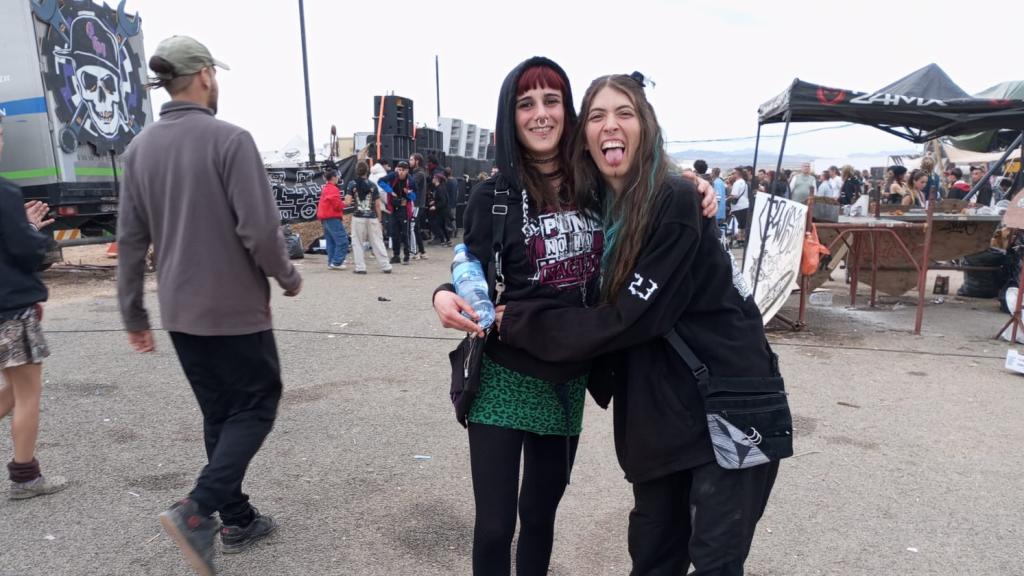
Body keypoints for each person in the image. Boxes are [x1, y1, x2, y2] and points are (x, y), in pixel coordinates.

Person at [431, 58, 718, 576]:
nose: (540, 114)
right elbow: (471, 266)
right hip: (502, 376)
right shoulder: (491, 196)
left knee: (540, 518)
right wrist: (442, 294)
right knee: (495, 525)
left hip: (567, 381)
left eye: (551, 100)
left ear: (568, 111)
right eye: (526, 104)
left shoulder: (595, 188)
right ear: (509, 115)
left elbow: (644, 187)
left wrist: (693, 183)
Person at [495, 73, 782, 576]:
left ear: (645, 126)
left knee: (715, 562)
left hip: (729, 403)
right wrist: (460, 286)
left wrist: (522, 322)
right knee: (651, 559)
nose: (611, 125)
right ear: (584, 134)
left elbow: (631, 317)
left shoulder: (673, 200)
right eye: (599, 116)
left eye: (624, 113)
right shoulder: (597, 211)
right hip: (659, 418)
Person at [118, 36, 302, 576]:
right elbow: (261, 230)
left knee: (220, 412)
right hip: (234, 308)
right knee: (257, 405)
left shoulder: (139, 151)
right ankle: (198, 510)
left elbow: (130, 240)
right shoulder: (231, 140)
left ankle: (238, 515)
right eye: (214, 75)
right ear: (202, 75)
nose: (216, 82)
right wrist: (287, 276)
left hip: (180, 311)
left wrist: (133, 313)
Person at [0, 112, 68, 501]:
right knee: (27, 393)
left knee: (12, 389)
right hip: (11, 310)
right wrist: (29, 230)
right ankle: (25, 478)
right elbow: (28, 252)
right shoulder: (5, 193)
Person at [346, 161, 392, 274]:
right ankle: (386, 265)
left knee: (357, 242)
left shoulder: (352, 184)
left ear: (356, 171)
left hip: (358, 216)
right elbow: (377, 204)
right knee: (377, 241)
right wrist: (379, 220)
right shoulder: (372, 185)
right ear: (367, 171)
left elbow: (347, 201)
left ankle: (360, 267)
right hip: (372, 217)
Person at [381, 160, 415, 264]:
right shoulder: (392, 176)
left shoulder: (410, 180)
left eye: (403, 170)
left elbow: (415, 196)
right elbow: (380, 181)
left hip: (404, 209)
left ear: (407, 171)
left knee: (405, 233)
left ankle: (406, 255)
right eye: (399, 170)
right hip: (393, 208)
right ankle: (396, 255)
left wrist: (408, 193)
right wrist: (389, 190)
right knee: (394, 232)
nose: (400, 172)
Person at [316, 169, 349, 270]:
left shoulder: (326, 188)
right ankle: (337, 262)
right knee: (342, 240)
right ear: (334, 177)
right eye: (337, 176)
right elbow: (337, 205)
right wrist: (345, 203)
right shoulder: (333, 189)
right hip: (332, 217)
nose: (338, 177)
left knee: (331, 241)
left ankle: (332, 262)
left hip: (325, 218)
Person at [408, 153, 429, 259]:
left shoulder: (419, 174)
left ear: (417, 161)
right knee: (415, 227)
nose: (409, 161)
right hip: (418, 203)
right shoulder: (419, 173)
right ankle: (422, 251)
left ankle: (413, 252)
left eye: (411, 159)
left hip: (416, 204)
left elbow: (410, 185)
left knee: (411, 227)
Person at [427, 172, 451, 246]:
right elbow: (442, 199)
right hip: (443, 210)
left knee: (437, 225)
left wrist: (435, 206)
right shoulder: (440, 187)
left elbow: (443, 201)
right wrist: (434, 201)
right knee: (442, 226)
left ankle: (443, 241)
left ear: (437, 179)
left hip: (441, 211)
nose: (433, 179)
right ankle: (447, 240)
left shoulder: (439, 188)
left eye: (434, 178)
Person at [729, 167, 750, 243]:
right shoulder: (744, 182)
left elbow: (734, 195)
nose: (732, 174)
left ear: (737, 174)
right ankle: (742, 239)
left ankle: (739, 239)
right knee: (743, 224)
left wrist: (727, 199)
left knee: (738, 224)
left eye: (733, 173)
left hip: (738, 206)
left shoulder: (737, 183)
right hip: (745, 205)